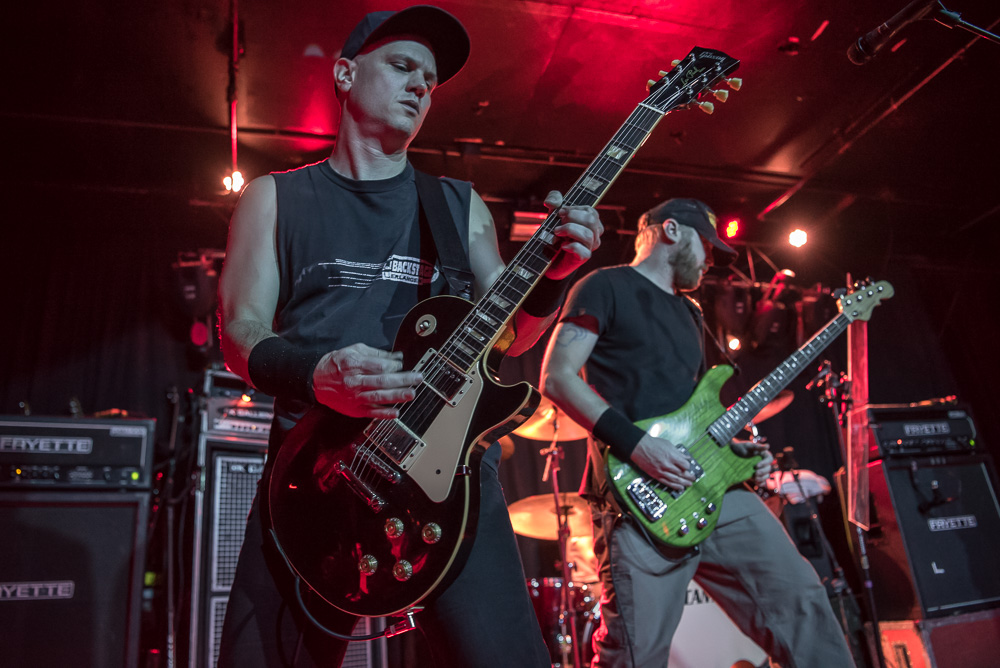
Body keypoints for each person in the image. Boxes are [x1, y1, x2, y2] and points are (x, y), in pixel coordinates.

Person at [215, 6, 604, 667]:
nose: (421, 85)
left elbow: (509, 338)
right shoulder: (275, 197)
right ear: (345, 74)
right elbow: (240, 330)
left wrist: (555, 277)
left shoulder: (458, 206)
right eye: (402, 67)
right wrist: (317, 376)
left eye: (430, 80)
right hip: (318, 477)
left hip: (449, 476)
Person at [539, 198, 856, 667]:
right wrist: (639, 446)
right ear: (670, 230)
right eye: (707, 246)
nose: (711, 260)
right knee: (635, 653)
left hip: (714, 489)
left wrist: (736, 451)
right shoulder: (605, 285)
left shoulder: (691, 313)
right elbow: (557, 377)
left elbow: (696, 413)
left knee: (801, 603)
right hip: (637, 496)